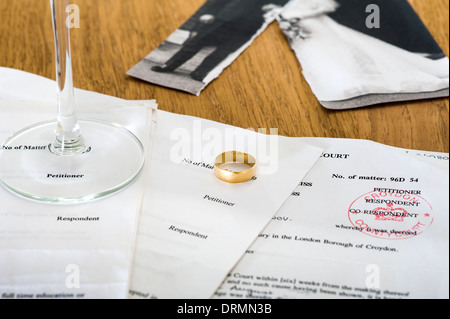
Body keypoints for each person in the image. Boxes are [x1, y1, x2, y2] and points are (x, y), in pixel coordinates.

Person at [152, 0, 289, 82]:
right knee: (197, 42)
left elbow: (286, 5)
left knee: (225, 50)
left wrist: (276, 6)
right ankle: (169, 65)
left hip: (252, 24)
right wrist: (210, 12)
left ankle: (200, 72)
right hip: (226, 16)